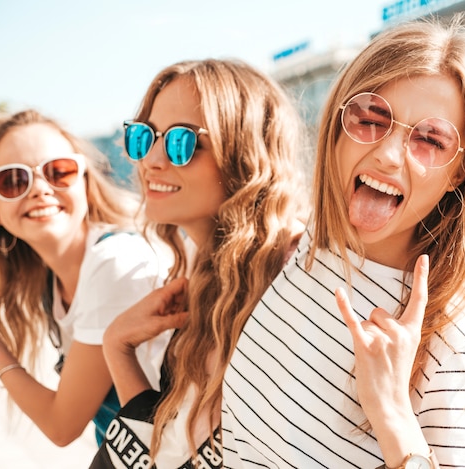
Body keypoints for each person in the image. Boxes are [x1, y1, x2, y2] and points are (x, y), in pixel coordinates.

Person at [221, 14, 465, 469]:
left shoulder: (456, 344)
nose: (388, 154)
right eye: (371, 118)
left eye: (430, 139)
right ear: (336, 126)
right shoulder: (314, 247)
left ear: (460, 173)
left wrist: (392, 415)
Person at [88, 59, 308, 468]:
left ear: (244, 154)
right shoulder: (208, 270)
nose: (151, 160)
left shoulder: (294, 274)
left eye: (180, 141)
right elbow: (169, 447)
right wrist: (118, 347)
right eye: (143, 137)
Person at [0, 110, 172, 447]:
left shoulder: (115, 262)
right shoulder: (50, 282)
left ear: (86, 182)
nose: (39, 189)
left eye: (59, 171)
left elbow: (62, 426)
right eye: (12, 180)